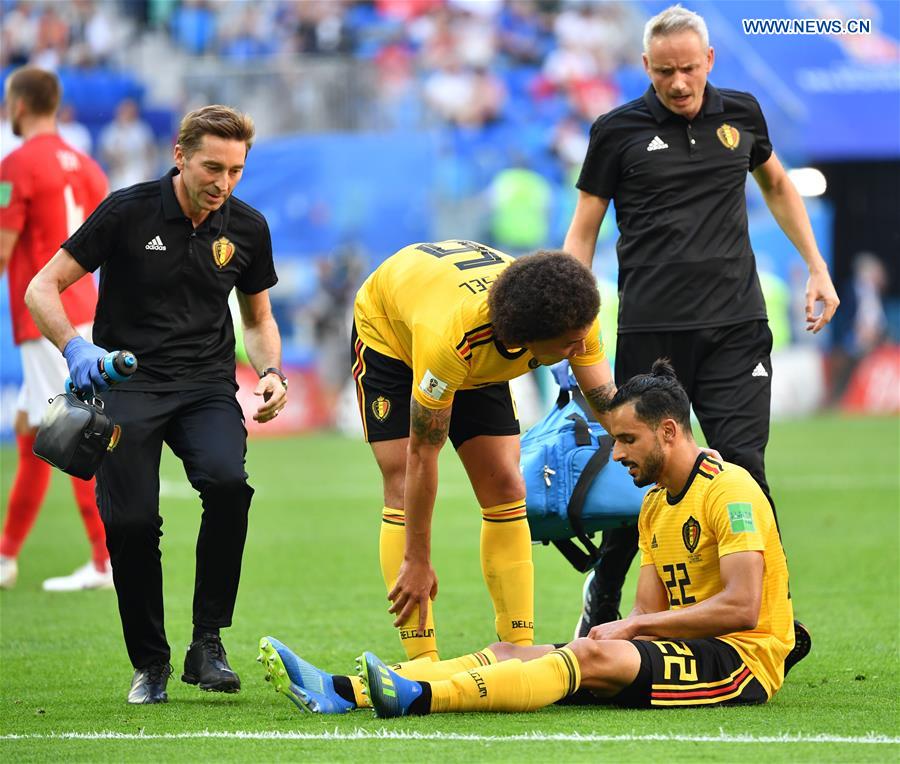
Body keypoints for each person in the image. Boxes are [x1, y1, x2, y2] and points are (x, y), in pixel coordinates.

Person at [257, 360, 799, 716]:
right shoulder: (655, 504)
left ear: (670, 432)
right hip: (679, 650)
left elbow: (742, 607)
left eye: (626, 440)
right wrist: (627, 628)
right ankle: (342, 690)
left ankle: (420, 697)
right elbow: (646, 613)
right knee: (508, 651)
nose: (616, 454)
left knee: (590, 658)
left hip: (740, 662)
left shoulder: (730, 491)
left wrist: (631, 628)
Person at [562, 5, 839, 637]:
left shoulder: (742, 113)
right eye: (665, 72)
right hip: (650, 333)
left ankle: (772, 622)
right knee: (644, 476)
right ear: (646, 67)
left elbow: (777, 184)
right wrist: (573, 315)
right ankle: (604, 597)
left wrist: (816, 266)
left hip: (736, 327)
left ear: (709, 60)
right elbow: (584, 228)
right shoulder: (616, 130)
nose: (679, 83)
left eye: (689, 68)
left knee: (744, 467)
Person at [25, 104, 287, 705]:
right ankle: (150, 663)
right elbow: (42, 287)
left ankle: (207, 643)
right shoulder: (127, 211)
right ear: (180, 156)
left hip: (206, 386)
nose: (223, 183)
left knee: (228, 485)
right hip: (126, 386)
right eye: (212, 167)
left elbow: (258, 319)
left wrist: (270, 371)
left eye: (236, 170)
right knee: (132, 523)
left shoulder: (248, 227)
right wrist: (75, 348)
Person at [351, 243, 617, 662]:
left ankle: (519, 652)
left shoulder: (576, 316)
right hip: (391, 334)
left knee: (507, 484)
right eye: (568, 345)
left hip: (470, 333)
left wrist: (671, 458)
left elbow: (609, 407)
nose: (580, 350)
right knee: (401, 483)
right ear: (528, 339)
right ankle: (423, 662)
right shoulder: (453, 340)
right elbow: (422, 455)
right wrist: (417, 560)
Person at [0, 66, 111, 592]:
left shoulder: (16, 165)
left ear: (19, 105)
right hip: (85, 308)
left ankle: (105, 561)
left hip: (46, 317)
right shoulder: (88, 167)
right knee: (33, 431)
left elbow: (3, 249)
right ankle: (6, 557)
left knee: (73, 432)